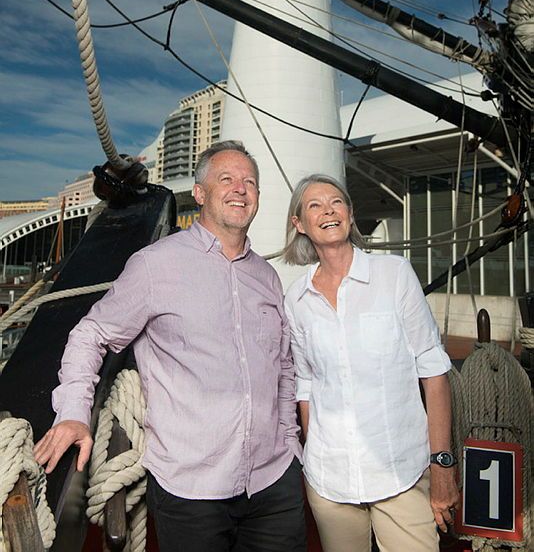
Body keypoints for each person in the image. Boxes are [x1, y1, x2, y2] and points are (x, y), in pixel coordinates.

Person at [34, 140, 306, 552]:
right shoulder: (155, 265)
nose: (240, 189)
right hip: (191, 486)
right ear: (200, 193)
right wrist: (74, 414)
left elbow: (282, 366)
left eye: (249, 182)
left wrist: (290, 443)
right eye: (226, 179)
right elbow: (91, 334)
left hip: (273, 482)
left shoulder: (266, 277)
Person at [282, 174, 460, 552]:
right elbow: (307, 383)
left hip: (401, 476)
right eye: (314, 205)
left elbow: (433, 370)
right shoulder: (296, 299)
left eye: (336, 202)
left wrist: (442, 464)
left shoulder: (393, 275)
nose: (328, 211)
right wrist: (317, 450)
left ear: (349, 213)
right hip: (330, 484)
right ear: (299, 224)